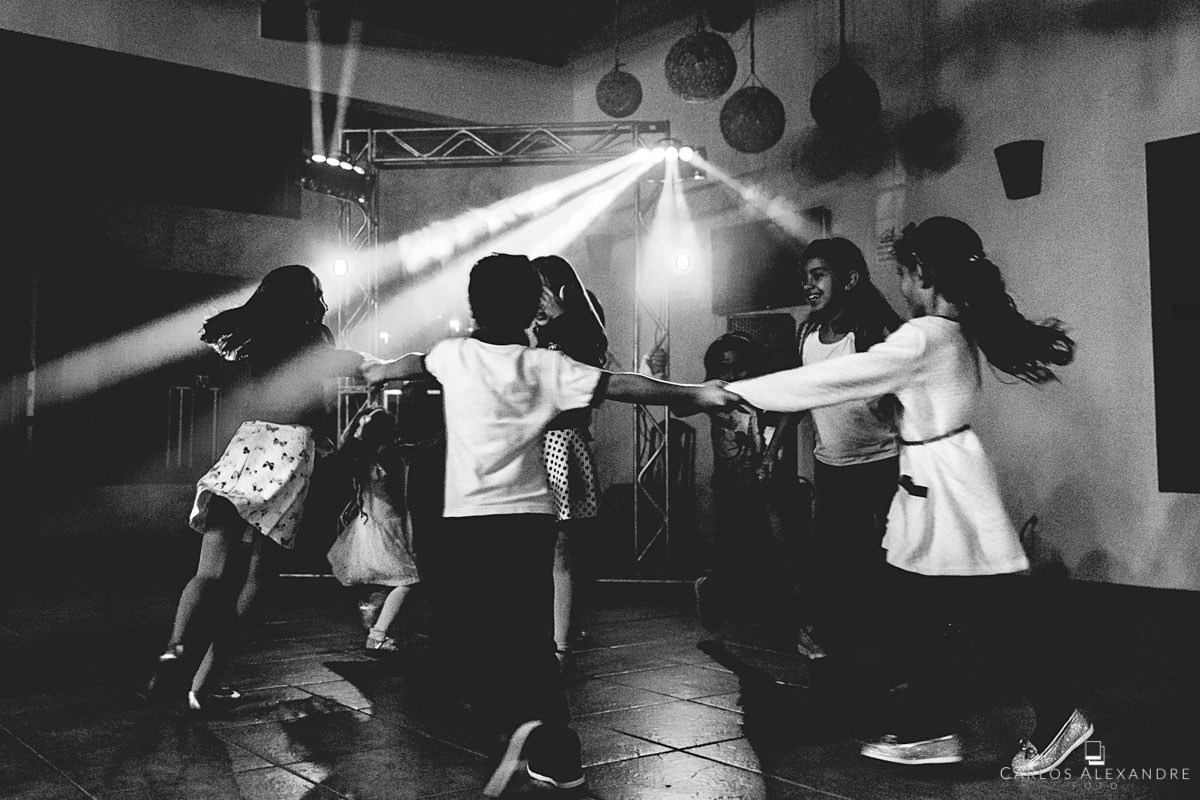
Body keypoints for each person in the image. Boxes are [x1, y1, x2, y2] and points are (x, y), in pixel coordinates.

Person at [362, 253, 741, 795]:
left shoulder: (453, 355)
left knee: (469, 629)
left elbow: (413, 362)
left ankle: (518, 724)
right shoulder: (546, 366)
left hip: (467, 523)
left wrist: (377, 370)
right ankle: (557, 753)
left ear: (473, 305)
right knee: (527, 634)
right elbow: (623, 384)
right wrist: (697, 394)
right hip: (528, 523)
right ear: (530, 308)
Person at [725, 217, 1086, 775]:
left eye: (904, 272)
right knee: (925, 609)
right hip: (936, 479)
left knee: (979, 614)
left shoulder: (923, 337)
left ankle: (1052, 721)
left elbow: (838, 378)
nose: (900, 284)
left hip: (944, 485)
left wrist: (735, 392)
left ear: (923, 274)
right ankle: (932, 728)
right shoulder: (953, 331)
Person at [148, 264, 365, 712]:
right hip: (288, 452)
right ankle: (203, 686)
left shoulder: (259, 334)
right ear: (307, 298)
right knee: (259, 579)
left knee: (208, 572)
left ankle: (173, 656)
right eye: (317, 291)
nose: (322, 299)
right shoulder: (316, 336)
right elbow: (331, 383)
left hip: (248, 444)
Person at [794, 237, 902, 658]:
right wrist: (772, 451)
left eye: (818, 275)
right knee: (835, 554)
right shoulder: (808, 335)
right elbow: (799, 394)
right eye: (805, 277)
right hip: (832, 465)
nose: (809, 285)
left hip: (882, 460)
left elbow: (904, 392)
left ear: (850, 279)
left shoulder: (873, 332)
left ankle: (895, 641)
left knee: (890, 551)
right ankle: (830, 634)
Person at [694, 333, 814, 656]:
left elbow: (794, 410)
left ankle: (800, 627)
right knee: (730, 555)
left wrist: (771, 454)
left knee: (784, 547)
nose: (732, 374)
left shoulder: (762, 392)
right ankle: (712, 590)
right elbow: (678, 407)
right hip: (728, 487)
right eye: (724, 367)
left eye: (738, 367)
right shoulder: (715, 393)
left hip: (765, 484)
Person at [531, 255, 608, 677]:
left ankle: (560, 645)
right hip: (530, 445)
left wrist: (558, 317)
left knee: (560, 549)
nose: (536, 299)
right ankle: (539, 636)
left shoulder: (576, 328)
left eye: (541, 288)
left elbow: (591, 367)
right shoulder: (528, 332)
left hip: (560, 443)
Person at [326, 402, 421, 654]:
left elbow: (344, 443)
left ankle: (374, 605)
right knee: (408, 580)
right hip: (388, 526)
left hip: (369, 526)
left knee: (392, 576)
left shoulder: (360, 459)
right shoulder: (390, 459)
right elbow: (401, 498)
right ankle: (377, 634)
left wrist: (359, 417)